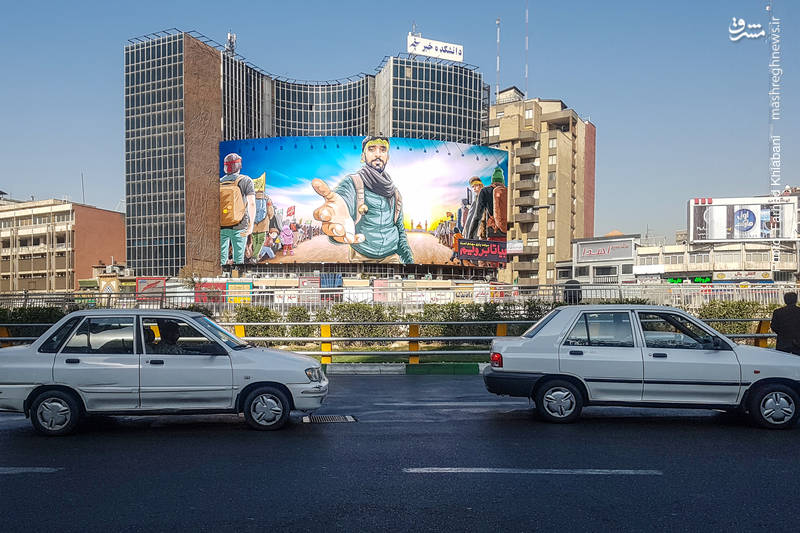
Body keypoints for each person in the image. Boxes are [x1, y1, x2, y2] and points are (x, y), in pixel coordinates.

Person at [311, 135, 413, 264]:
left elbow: (400, 231)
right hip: (361, 258)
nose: (378, 154)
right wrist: (337, 227)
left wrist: (409, 261)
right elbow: (342, 202)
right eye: (371, 149)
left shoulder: (395, 193)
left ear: (387, 157)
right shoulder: (353, 183)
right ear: (363, 157)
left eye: (383, 150)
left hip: (391, 258)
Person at [220, 153, 256, 265]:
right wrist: (251, 225)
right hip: (240, 225)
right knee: (239, 260)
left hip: (221, 225)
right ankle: (236, 276)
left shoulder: (219, 182)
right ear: (239, 166)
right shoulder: (246, 180)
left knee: (221, 259)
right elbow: (252, 204)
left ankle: (220, 275)